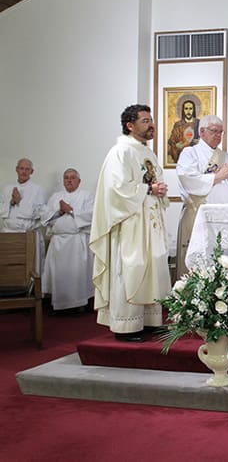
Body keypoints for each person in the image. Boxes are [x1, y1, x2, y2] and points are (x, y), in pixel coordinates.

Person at [89, 104, 171, 342]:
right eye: (145, 121)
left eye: (151, 120)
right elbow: (116, 190)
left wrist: (160, 190)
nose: (151, 124)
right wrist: (149, 189)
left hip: (150, 222)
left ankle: (148, 321)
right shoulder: (121, 151)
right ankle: (126, 327)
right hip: (131, 224)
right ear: (130, 125)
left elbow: (154, 182)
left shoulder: (147, 152)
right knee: (131, 269)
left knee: (151, 268)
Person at [175, 114, 228, 279]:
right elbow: (188, 180)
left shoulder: (226, 156)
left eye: (221, 132)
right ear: (202, 131)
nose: (218, 136)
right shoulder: (190, 153)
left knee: (223, 261)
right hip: (198, 215)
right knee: (199, 262)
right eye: (214, 131)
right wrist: (219, 176)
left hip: (223, 219)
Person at [40, 168, 94, 313]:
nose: (69, 180)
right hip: (58, 243)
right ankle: (58, 305)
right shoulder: (55, 196)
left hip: (77, 242)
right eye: (66, 178)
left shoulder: (86, 196)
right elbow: (44, 216)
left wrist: (71, 210)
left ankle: (79, 304)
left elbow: (91, 215)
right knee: (58, 275)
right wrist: (59, 211)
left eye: (72, 178)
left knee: (76, 275)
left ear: (79, 181)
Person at [0, 158, 48, 275]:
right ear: (17, 170)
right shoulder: (7, 189)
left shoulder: (37, 189)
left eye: (27, 169)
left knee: (30, 269)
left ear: (32, 172)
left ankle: (31, 291)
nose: (24, 172)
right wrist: (11, 202)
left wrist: (20, 202)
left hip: (28, 235)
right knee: (9, 267)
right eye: (21, 168)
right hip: (8, 234)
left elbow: (40, 213)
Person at [167, 99, 201, 164]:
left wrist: (200, 141)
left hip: (196, 157)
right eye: (186, 108)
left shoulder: (199, 123)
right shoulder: (178, 125)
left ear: (193, 110)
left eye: (190, 108)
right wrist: (176, 145)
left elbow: (206, 140)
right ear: (183, 110)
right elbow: (172, 141)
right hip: (182, 156)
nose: (188, 111)